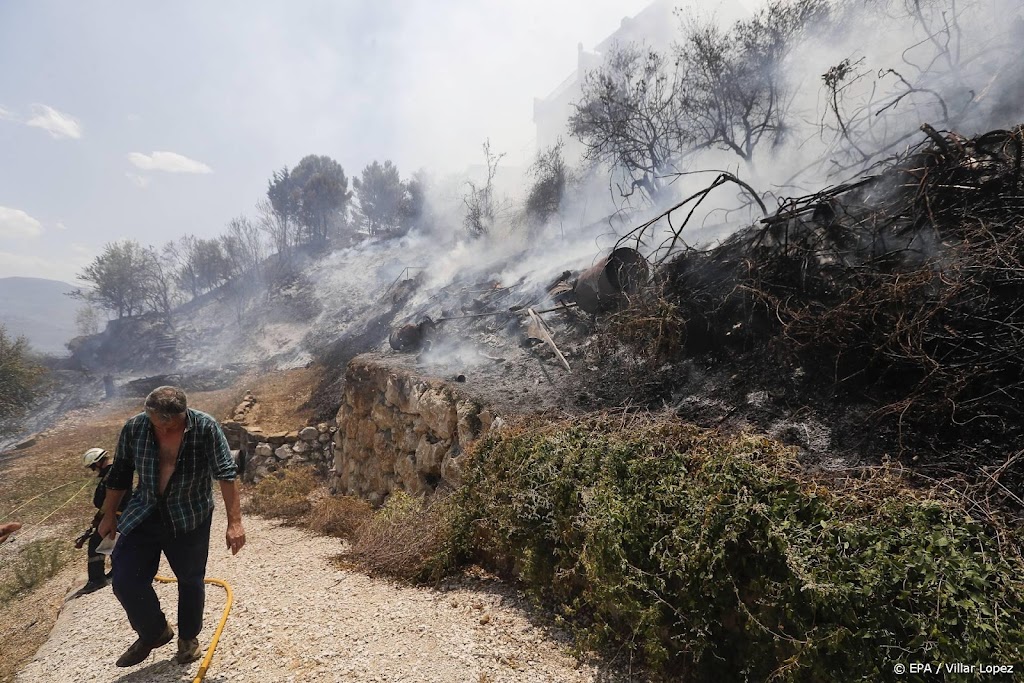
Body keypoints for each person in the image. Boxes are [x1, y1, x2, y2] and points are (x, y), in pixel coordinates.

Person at [98, 386, 245, 668]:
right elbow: (120, 473)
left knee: (190, 581)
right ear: (148, 414)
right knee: (125, 580)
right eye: (158, 424)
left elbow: (226, 473)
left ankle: (188, 639)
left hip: (189, 515)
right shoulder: (135, 427)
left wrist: (234, 522)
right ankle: (154, 632)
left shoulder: (205, 427)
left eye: (172, 425)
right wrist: (108, 516)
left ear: (184, 414)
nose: (164, 431)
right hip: (144, 512)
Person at [78, 447, 131, 594]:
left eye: (92, 467)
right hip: (118, 514)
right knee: (114, 544)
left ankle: (96, 580)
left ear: (97, 463)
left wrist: (100, 519)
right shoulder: (113, 473)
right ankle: (116, 572)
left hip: (116, 515)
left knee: (96, 543)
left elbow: (108, 501)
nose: (93, 470)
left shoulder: (111, 475)